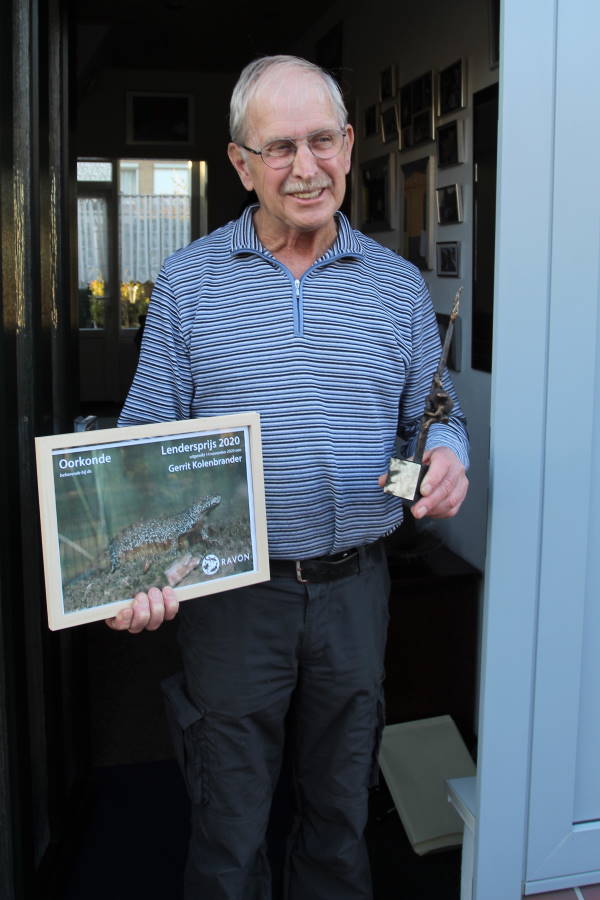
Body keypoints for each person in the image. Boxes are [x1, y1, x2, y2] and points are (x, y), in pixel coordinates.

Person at [108, 55, 469, 900]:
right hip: (232, 599)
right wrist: (129, 573)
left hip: (358, 591)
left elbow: (437, 408)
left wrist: (450, 454)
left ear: (348, 145)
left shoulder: (400, 289)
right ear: (241, 163)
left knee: (341, 816)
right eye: (279, 148)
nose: (305, 169)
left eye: (321, 142)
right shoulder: (190, 283)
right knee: (229, 826)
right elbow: (143, 437)